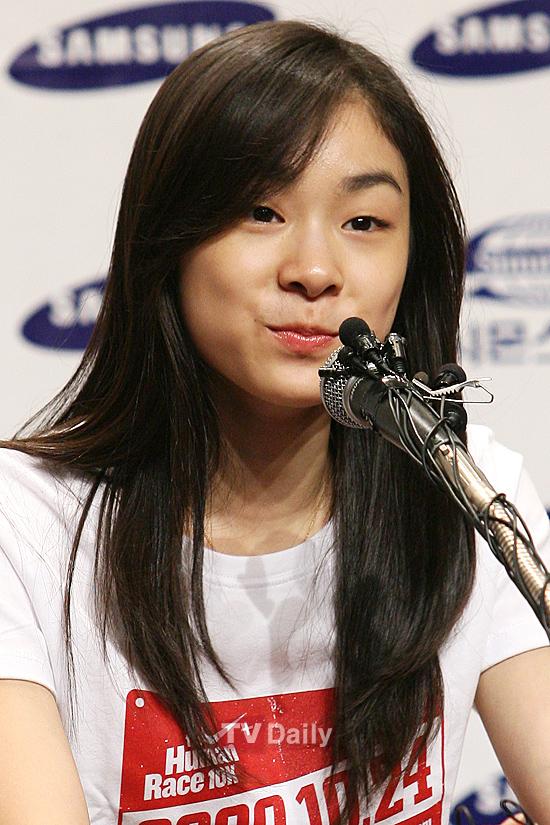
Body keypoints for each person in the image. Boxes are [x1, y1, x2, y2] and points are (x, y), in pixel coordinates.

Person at [0, 19, 549, 825]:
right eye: (262, 211)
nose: (315, 271)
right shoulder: (25, 527)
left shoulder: (465, 489)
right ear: (168, 240)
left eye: (364, 223)